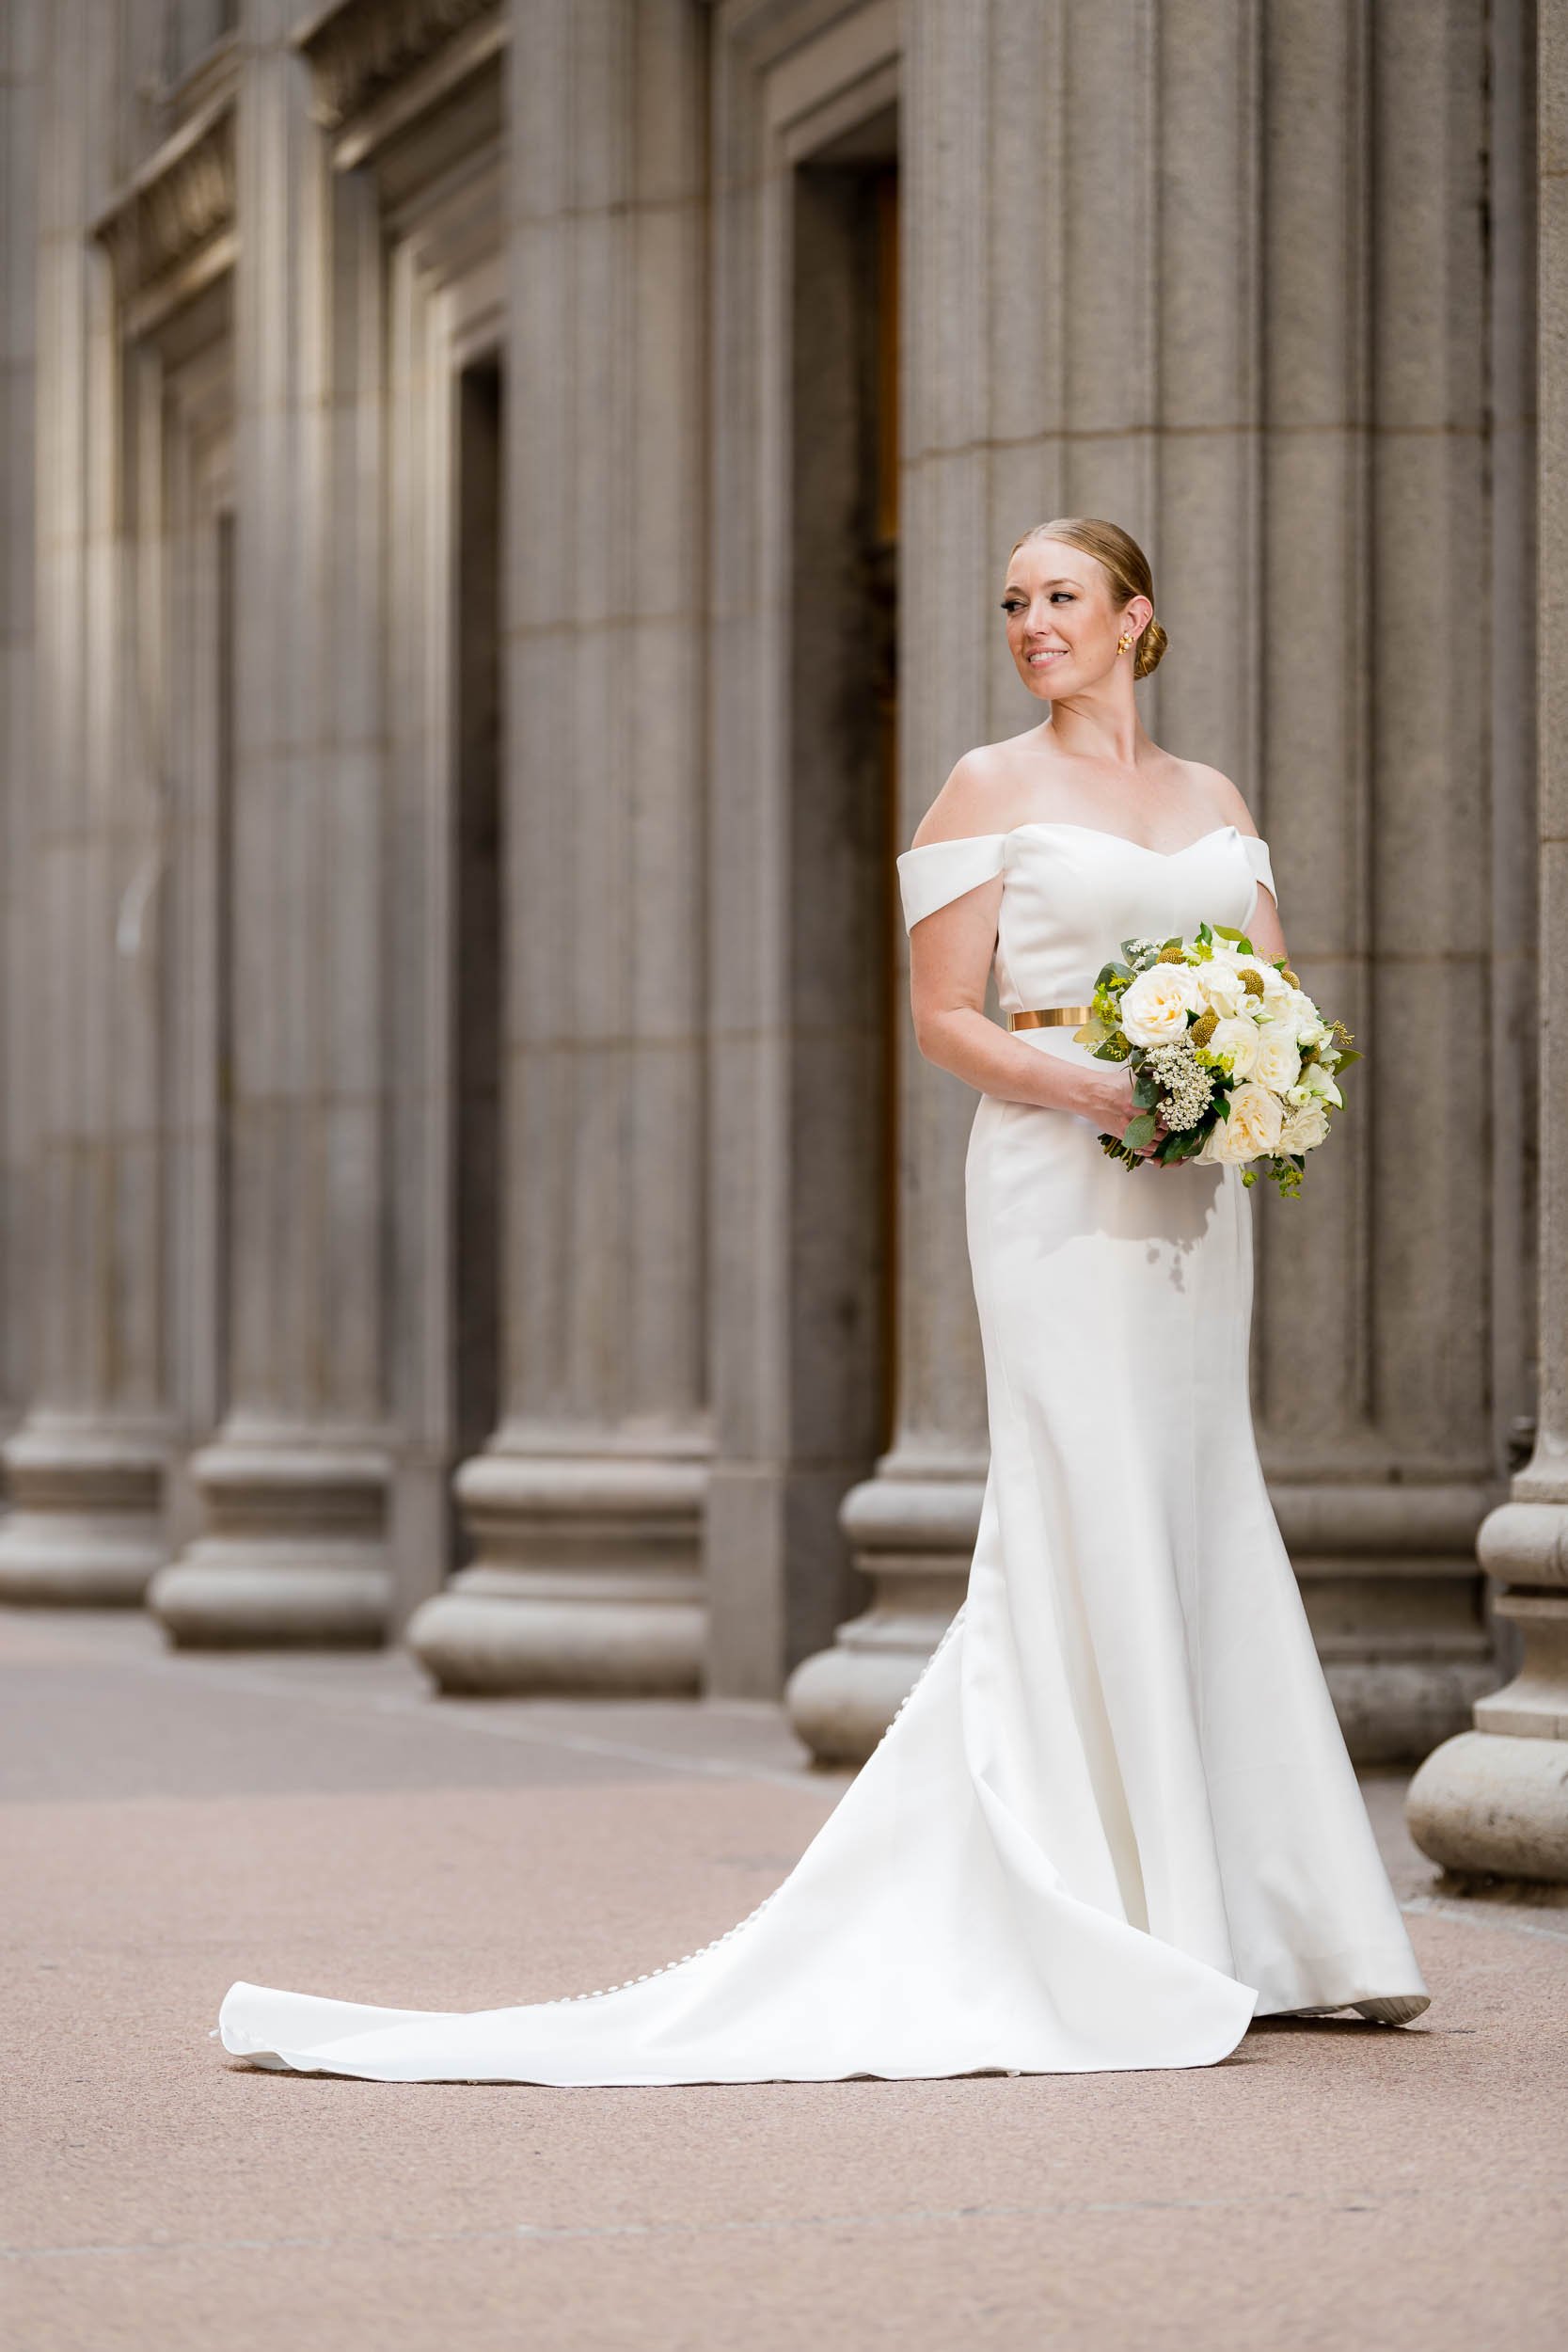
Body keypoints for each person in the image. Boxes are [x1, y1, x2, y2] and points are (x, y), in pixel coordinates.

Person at [217, 516, 1429, 2085]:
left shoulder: (1213, 800)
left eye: (1060, 598)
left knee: (1200, 1495)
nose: (1029, 624)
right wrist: (1092, 1088)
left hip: (1194, 1191)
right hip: (1059, 1184)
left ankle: (1272, 1922)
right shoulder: (987, 787)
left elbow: (1271, 991)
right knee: (1088, 1497)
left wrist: (1249, 1081)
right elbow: (943, 1017)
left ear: (1138, 617)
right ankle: (1136, 1917)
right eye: (1011, 603)